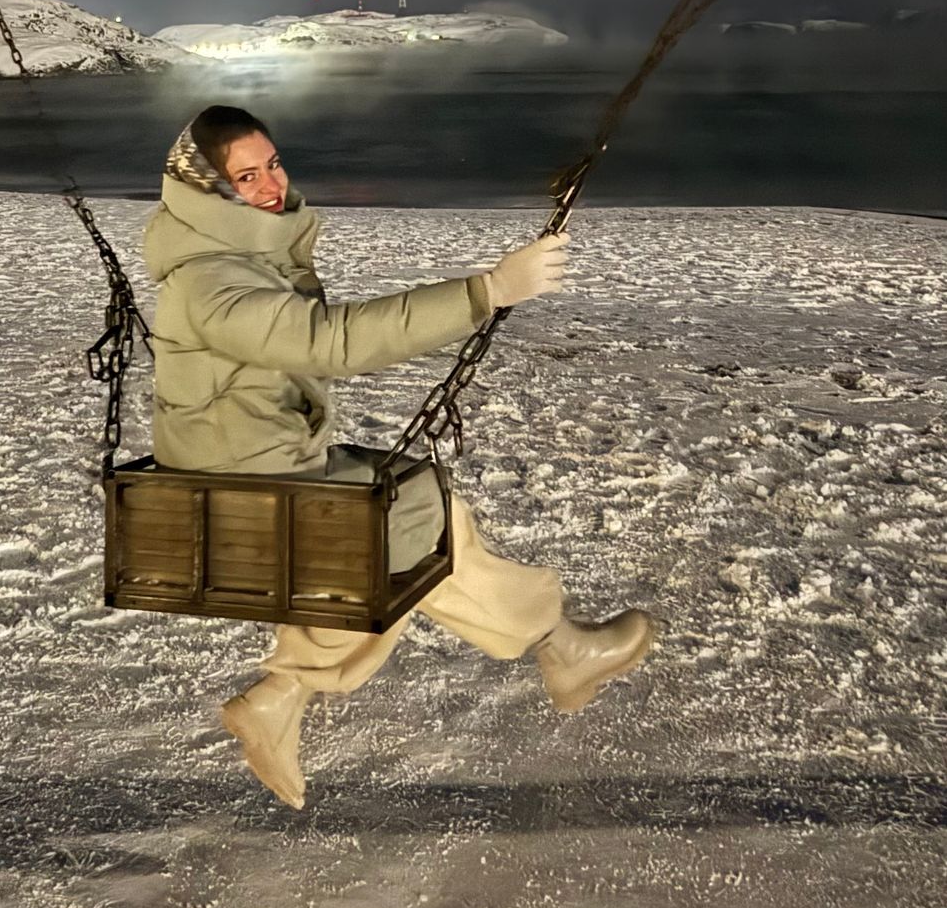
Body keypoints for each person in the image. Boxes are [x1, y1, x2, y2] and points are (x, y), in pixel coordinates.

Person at [144, 104, 656, 809]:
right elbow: (327, 341)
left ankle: (551, 649)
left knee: (424, 512)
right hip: (238, 488)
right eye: (246, 176)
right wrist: (486, 291)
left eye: (273, 164)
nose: (271, 184)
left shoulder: (237, 255)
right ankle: (557, 649)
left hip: (257, 467)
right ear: (207, 188)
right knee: (402, 536)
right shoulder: (212, 279)